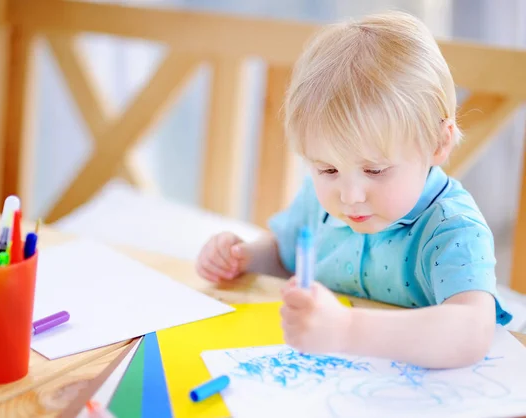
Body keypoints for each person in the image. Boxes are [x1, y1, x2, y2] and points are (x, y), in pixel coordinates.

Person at [195, 10, 512, 369]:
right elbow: (285, 258)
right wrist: (244, 257)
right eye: (327, 168)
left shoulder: (452, 229)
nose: (349, 196)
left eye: (374, 170)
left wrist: (347, 329)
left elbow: (471, 331)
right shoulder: (320, 203)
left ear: (438, 144)